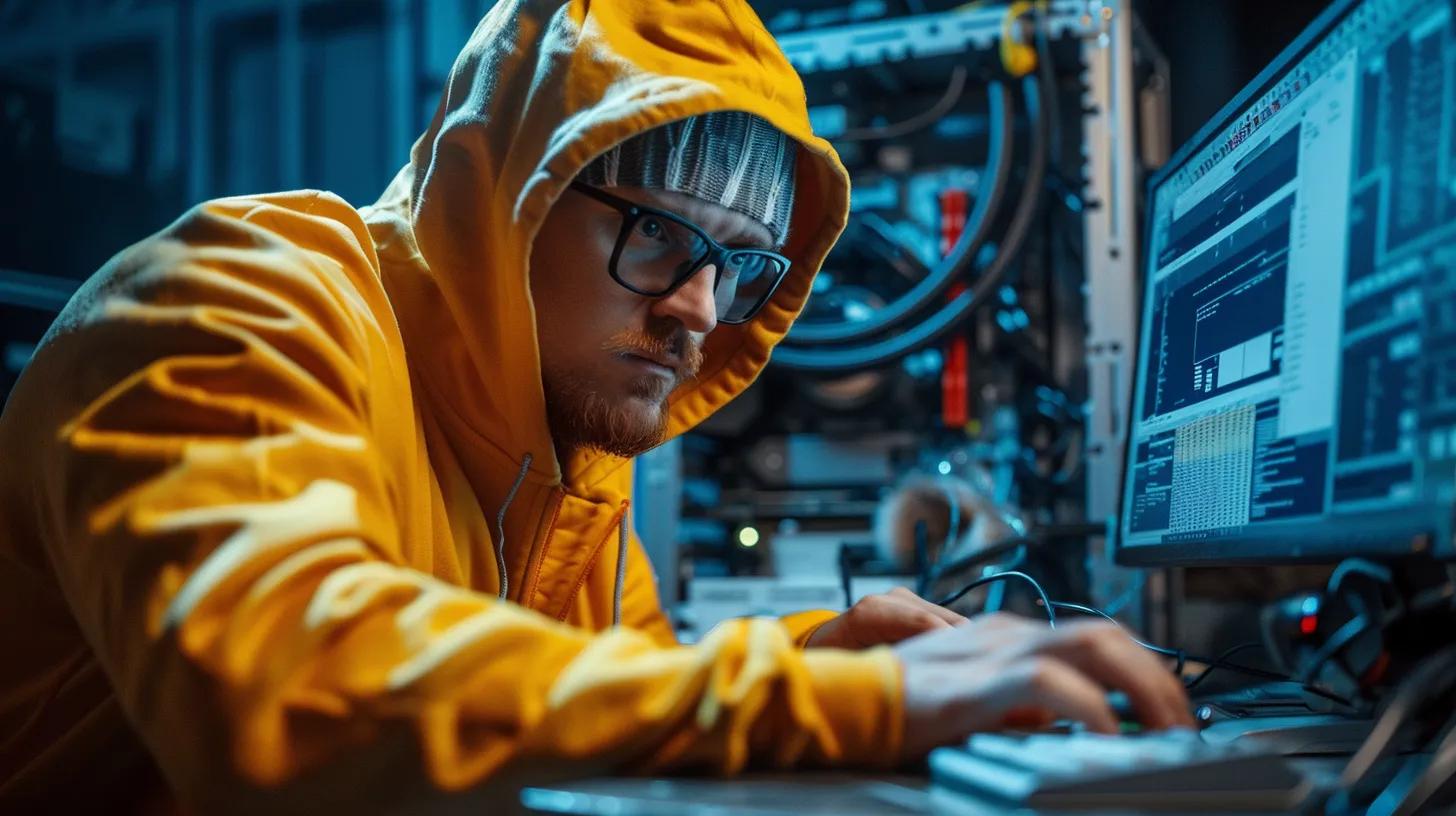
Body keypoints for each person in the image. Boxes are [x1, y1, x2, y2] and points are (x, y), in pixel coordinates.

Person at [0, 0, 1192, 811]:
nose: (699, 311)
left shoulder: (565, 458)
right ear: (510, 190)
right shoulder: (232, 304)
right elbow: (289, 692)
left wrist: (813, 652)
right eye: (662, 235)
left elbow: (594, 699)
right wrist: (843, 704)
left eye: (739, 267)